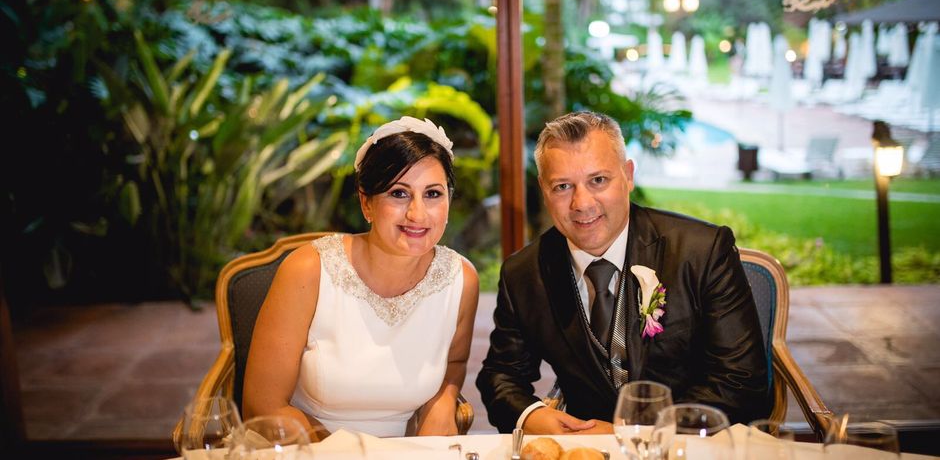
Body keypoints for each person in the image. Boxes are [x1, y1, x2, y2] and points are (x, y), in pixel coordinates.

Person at [476, 110, 770, 434]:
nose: (582, 203)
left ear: (628, 176)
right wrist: (533, 416)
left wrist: (635, 432)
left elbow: (742, 381)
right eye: (562, 186)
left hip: (690, 447)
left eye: (598, 180)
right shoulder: (524, 274)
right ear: (544, 190)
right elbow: (501, 376)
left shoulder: (701, 252)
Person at [243, 116, 479, 439]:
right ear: (366, 202)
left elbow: (455, 361)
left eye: (433, 194)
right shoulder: (309, 269)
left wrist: (445, 397)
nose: (418, 214)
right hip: (309, 450)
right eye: (399, 193)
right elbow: (262, 406)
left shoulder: (460, 280)